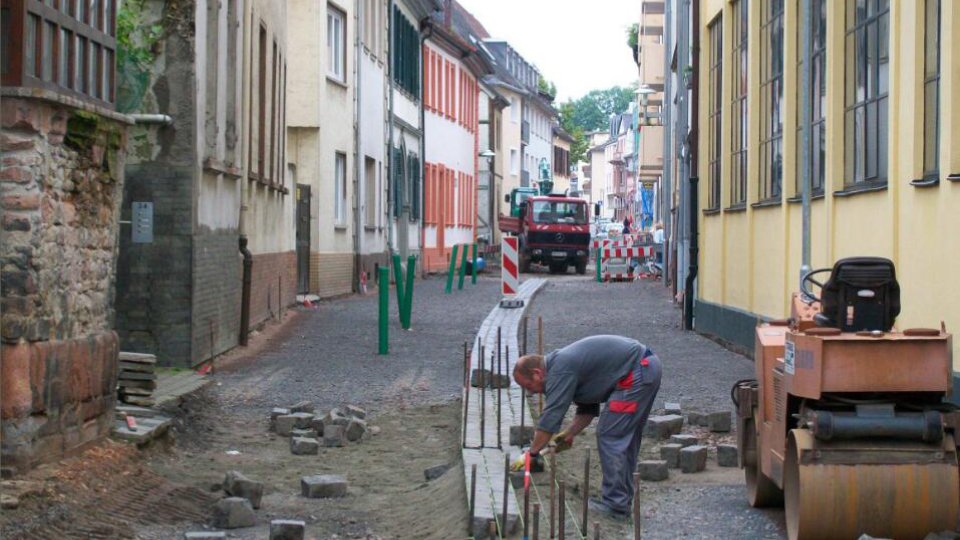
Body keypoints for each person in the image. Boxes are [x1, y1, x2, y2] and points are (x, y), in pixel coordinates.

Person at [512, 335, 663, 519]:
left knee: (611, 435)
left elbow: (551, 417)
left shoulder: (559, 370)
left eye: (529, 385)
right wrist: (568, 434)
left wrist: (532, 453)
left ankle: (616, 506)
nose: (531, 392)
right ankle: (622, 500)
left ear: (537, 373)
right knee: (623, 438)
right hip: (644, 368)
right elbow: (588, 410)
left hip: (637, 372)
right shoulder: (563, 366)